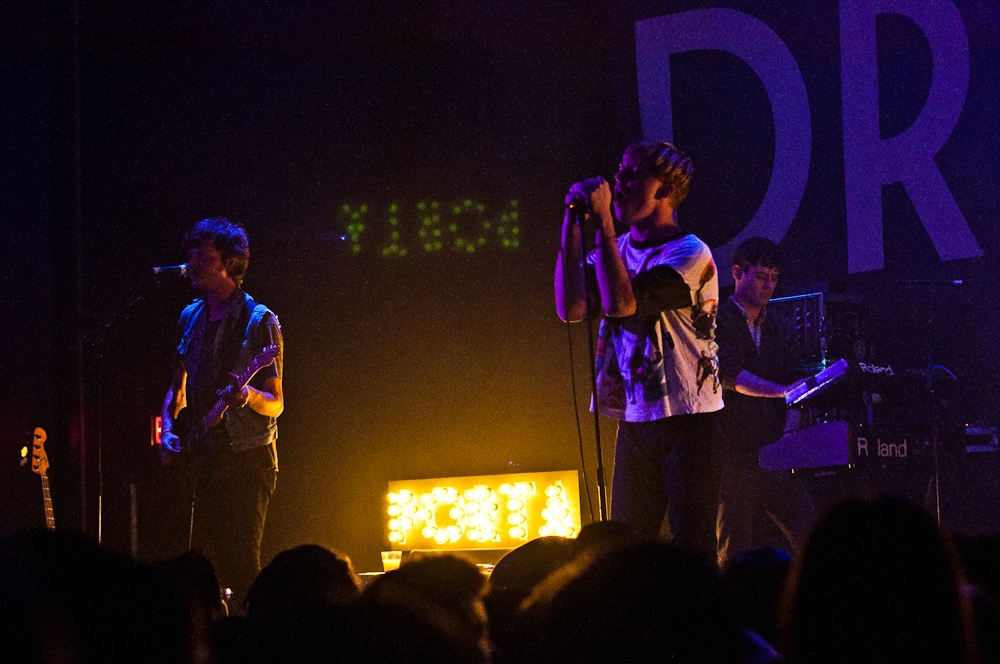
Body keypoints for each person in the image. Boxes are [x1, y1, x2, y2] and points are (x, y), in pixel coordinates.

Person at [555, 140, 723, 557]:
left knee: (692, 549)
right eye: (620, 171)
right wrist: (572, 227)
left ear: (664, 191)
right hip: (636, 416)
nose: (620, 183)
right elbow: (571, 308)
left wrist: (607, 232)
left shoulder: (689, 252)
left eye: (633, 175)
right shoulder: (614, 251)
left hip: (690, 421)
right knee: (625, 548)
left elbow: (623, 304)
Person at [160, 217, 284, 610]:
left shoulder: (261, 321)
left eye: (204, 256)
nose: (192, 263)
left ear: (230, 262)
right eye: (191, 255)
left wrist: (246, 396)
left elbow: (277, 402)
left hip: (247, 459)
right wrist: (167, 427)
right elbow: (176, 387)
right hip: (202, 455)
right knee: (199, 565)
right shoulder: (189, 317)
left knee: (242, 563)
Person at [714, 237, 813, 566]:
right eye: (760, 276)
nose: (769, 284)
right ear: (737, 273)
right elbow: (729, 374)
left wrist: (790, 432)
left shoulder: (781, 328)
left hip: (775, 453)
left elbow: (797, 381)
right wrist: (783, 391)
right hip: (733, 455)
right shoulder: (716, 321)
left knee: (810, 538)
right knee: (733, 549)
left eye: (774, 277)